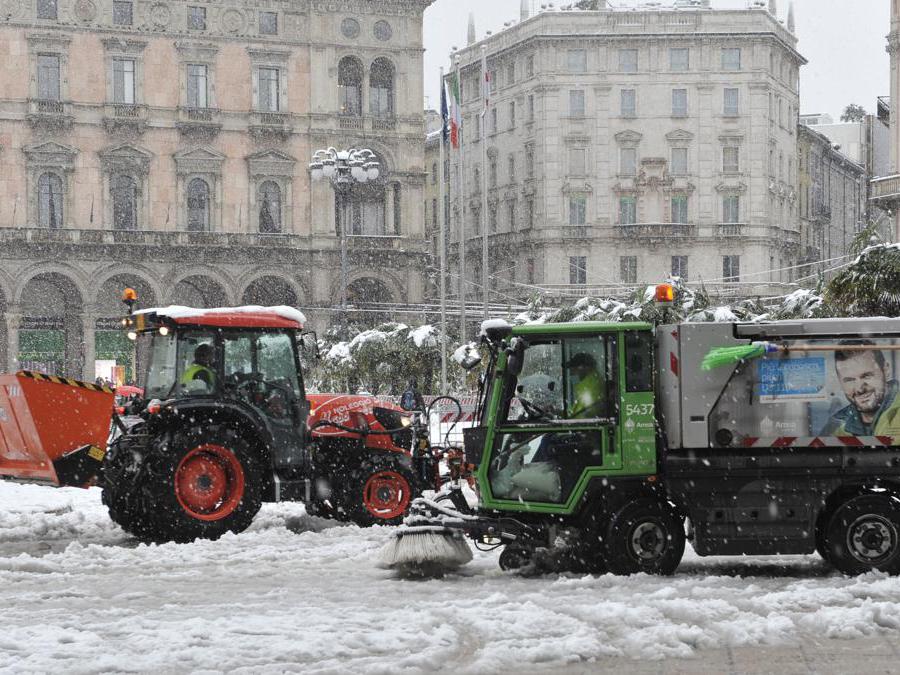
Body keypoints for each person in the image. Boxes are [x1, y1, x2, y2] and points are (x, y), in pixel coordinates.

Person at [821, 340, 900, 436]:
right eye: (849, 380)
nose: (859, 389)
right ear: (840, 383)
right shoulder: (836, 425)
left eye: (866, 376)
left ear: (886, 370)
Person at [566, 352, 606, 419]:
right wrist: (560, 413)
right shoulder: (587, 383)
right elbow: (577, 411)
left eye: (574, 370)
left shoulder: (590, 385)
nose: (572, 374)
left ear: (585, 368)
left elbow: (586, 415)